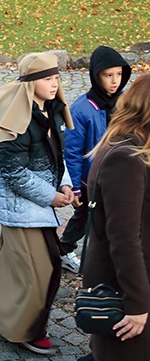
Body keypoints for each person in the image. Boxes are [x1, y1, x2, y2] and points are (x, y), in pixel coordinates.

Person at [0, 52, 74, 355]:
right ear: (30, 82)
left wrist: (65, 184)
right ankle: (22, 328)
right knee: (38, 270)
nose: (54, 84)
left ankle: (5, 316)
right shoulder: (16, 119)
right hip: (21, 208)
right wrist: (53, 197)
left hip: (38, 204)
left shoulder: (51, 110)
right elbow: (13, 173)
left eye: (56, 77)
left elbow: (57, 156)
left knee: (23, 265)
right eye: (47, 78)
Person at [82, 73, 150, 361]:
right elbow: (123, 238)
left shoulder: (130, 145)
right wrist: (137, 304)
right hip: (126, 288)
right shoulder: (127, 156)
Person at [59, 45, 131, 274]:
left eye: (119, 74)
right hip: (91, 179)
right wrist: (77, 188)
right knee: (86, 216)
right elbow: (72, 151)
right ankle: (64, 249)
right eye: (108, 75)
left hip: (119, 175)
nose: (114, 81)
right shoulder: (81, 109)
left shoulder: (125, 103)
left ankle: (110, 254)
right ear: (95, 75)